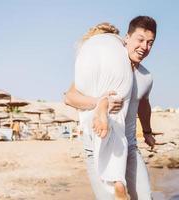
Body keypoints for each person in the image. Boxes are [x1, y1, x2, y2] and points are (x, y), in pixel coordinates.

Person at [65, 16, 157, 200]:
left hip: (129, 147)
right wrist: (99, 102)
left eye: (150, 43)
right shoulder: (104, 70)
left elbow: (144, 105)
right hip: (95, 146)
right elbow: (69, 97)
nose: (144, 47)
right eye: (140, 40)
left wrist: (147, 132)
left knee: (146, 197)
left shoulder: (146, 77)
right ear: (126, 38)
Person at [72, 22, 133, 200]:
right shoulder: (117, 53)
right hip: (110, 113)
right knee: (117, 126)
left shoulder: (88, 52)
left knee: (97, 140)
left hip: (91, 124)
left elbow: (69, 97)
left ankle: (102, 104)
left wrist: (97, 102)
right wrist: (102, 102)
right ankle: (118, 181)